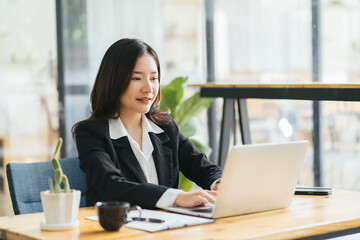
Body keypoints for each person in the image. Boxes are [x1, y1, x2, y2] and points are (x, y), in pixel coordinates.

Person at [73, 38, 222, 209]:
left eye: (153, 78)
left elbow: (199, 165)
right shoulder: (91, 133)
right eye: (137, 78)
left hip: (167, 228)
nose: (148, 88)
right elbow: (111, 186)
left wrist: (218, 183)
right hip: (120, 229)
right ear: (113, 81)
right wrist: (176, 197)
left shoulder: (165, 127)